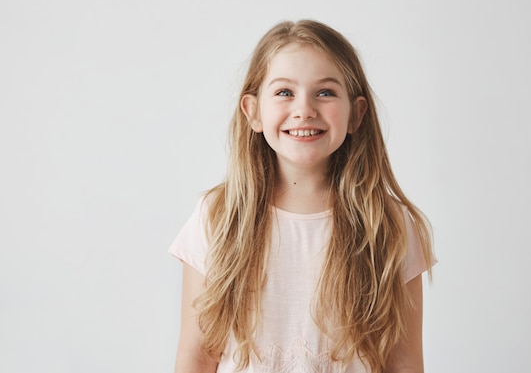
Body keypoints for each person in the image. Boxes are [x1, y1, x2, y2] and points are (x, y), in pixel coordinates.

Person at [169, 19, 435, 373]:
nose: (304, 109)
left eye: (325, 92)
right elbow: (197, 356)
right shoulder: (217, 216)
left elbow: (404, 363)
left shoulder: (389, 225)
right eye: (284, 93)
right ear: (253, 112)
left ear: (356, 114)